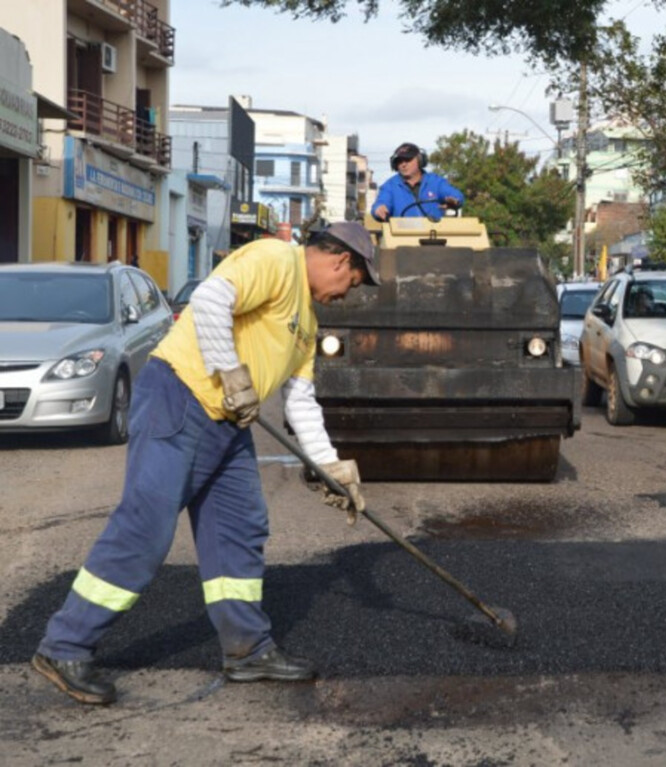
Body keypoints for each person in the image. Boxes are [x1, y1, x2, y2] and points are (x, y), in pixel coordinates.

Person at [31, 222, 380, 705]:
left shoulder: (308, 323)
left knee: (240, 528)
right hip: (182, 396)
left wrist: (331, 467)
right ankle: (64, 645)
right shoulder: (277, 260)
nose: (348, 294)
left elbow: (300, 399)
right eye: (354, 283)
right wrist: (231, 373)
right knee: (146, 528)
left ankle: (247, 649)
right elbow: (213, 299)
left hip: (229, 423)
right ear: (342, 262)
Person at [372, 142, 464, 221]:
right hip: (402, 237)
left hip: (435, 235)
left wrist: (455, 200)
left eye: (408, 160)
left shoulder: (435, 181)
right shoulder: (390, 186)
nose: (403, 164)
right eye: (399, 161)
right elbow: (381, 203)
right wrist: (379, 209)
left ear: (420, 160)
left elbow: (455, 195)